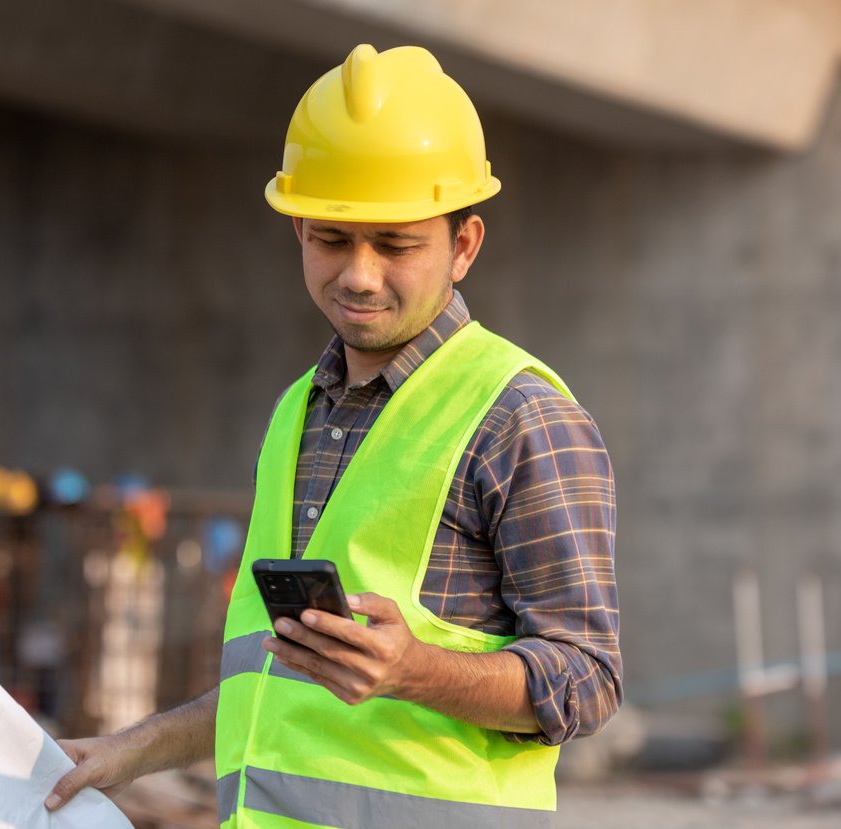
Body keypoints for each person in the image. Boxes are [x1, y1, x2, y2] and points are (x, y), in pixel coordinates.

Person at [46, 43, 620, 827]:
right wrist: (132, 749)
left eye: (394, 243)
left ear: (462, 245)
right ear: (297, 232)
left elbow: (586, 679)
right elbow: (278, 681)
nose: (356, 273)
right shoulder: (297, 412)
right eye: (330, 237)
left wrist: (414, 670)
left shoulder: (520, 417)